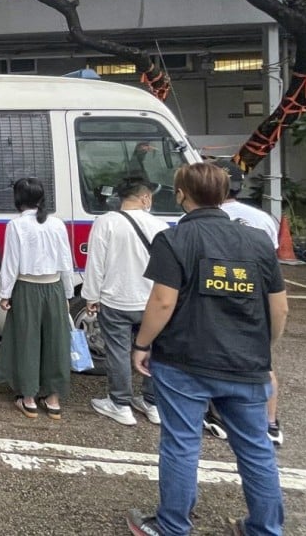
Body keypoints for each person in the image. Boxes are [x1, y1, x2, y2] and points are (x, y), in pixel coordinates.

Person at [126, 162, 288, 536]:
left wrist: (142, 344)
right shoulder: (257, 242)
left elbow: (163, 303)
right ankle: (265, 529)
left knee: (182, 446)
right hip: (247, 364)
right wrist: (262, 348)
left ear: (182, 194)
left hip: (184, 362)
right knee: (256, 449)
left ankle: (172, 527)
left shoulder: (175, 240)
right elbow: (279, 308)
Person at [82, 178, 168, 426]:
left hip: (116, 299)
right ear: (145, 198)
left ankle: (120, 404)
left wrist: (92, 295)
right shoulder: (160, 226)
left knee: (118, 352)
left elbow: (96, 262)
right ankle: (151, 403)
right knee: (153, 350)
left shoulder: (106, 222)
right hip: (151, 301)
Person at [218, 160, 285, 447]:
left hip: (217, 295)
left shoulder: (203, 217)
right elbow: (273, 267)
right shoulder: (264, 219)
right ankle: (270, 423)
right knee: (262, 363)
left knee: (215, 359)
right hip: (255, 297)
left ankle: (218, 417)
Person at [0, 177, 75, 420]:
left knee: (26, 341)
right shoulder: (57, 224)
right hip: (53, 288)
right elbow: (66, 262)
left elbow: (11, 263)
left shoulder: (17, 225)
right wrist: (68, 292)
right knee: (55, 343)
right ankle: (53, 400)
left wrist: (5, 293)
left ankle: (28, 399)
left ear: (18, 199)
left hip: (26, 287)